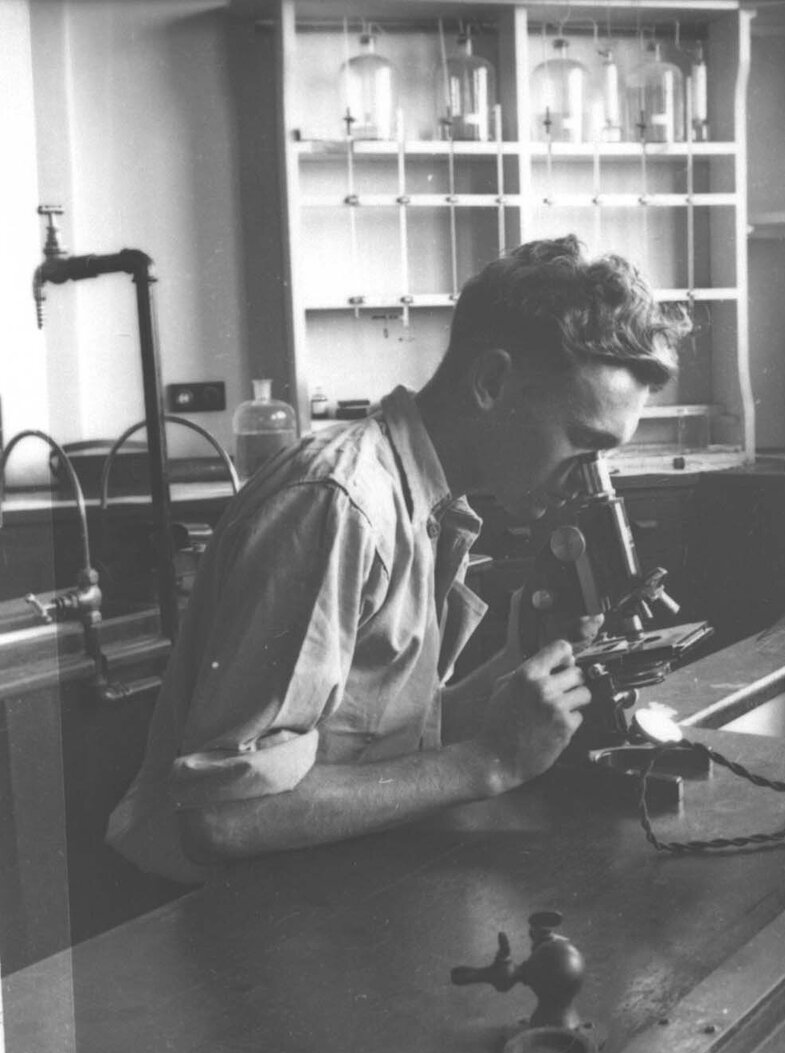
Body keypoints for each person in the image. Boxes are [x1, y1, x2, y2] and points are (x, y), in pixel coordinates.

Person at [107, 235, 689, 883]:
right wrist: (489, 762)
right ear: (493, 382)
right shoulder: (340, 504)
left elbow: (378, 749)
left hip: (320, 887)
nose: (589, 482)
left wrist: (515, 668)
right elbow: (227, 815)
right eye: (584, 444)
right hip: (206, 921)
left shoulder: (431, 503)